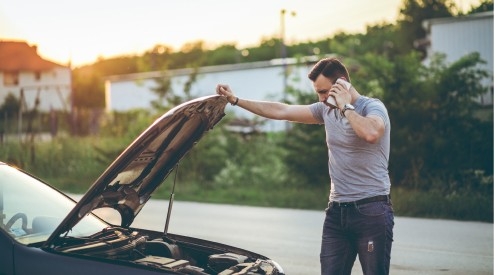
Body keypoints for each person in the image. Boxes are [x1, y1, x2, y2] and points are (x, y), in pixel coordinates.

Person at [216, 57, 394, 275]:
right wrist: (236, 100)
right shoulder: (325, 110)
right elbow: (282, 111)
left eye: (324, 92)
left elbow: (371, 133)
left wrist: (346, 106)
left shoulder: (372, 107)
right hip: (337, 212)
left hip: (371, 210)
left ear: (343, 83)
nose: (321, 98)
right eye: (318, 93)